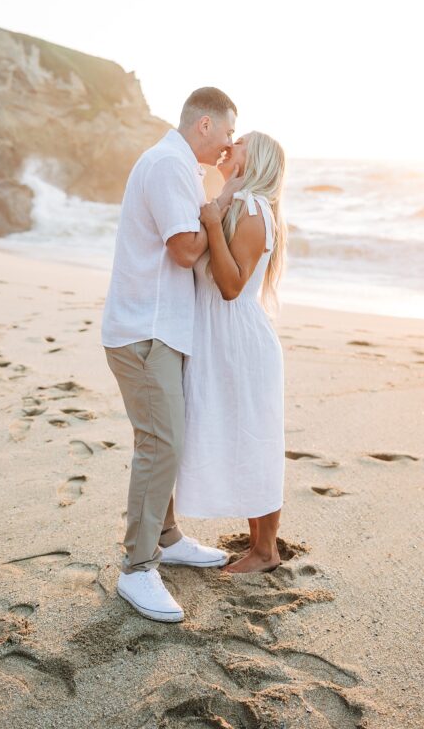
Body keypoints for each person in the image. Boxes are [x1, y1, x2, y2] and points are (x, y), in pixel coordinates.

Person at [101, 86, 242, 622]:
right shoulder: (166, 165)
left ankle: (167, 536)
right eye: (227, 131)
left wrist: (213, 198)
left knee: (165, 441)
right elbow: (184, 250)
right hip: (144, 330)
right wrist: (221, 204)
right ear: (204, 124)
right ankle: (136, 568)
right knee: (161, 445)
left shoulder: (182, 167)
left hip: (160, 329)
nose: (228, 143)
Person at [174, 131, 287, 573]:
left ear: (252, 159)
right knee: (241, 439)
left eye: (237, 143)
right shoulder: (237, 202)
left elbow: (230, 286)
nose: (228, 147)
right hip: (221, 341)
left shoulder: (253, 208)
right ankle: (260, 546)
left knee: (255, 441)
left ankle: (265, 551)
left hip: (240, 342)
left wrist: (212, 222)